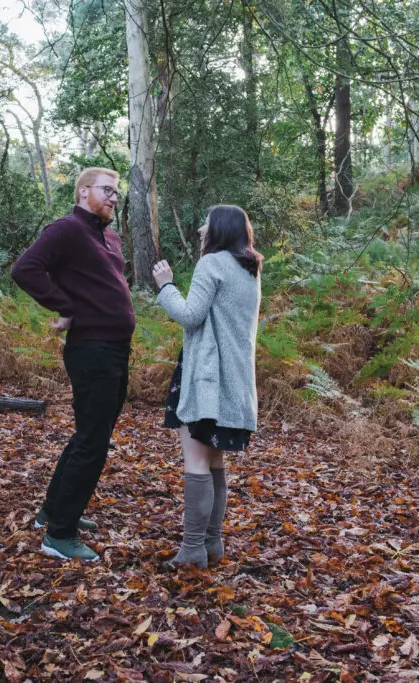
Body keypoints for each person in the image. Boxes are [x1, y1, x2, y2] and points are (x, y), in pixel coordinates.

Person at [11, 167, 134, 562]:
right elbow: (25, 269)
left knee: (89, 435)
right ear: (83, 192)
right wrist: (64, 305)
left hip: (115, 348)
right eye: (107, 190)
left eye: (117, 193)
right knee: (93, 443)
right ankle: (59, 535)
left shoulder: (108, 236)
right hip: (92, 349)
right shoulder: (66, 229)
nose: (114, 198)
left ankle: (53, 511)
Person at [152, 204, 262, 568]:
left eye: (205, 223)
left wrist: (166, 286)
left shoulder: (212, 264)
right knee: (215, 463)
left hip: (207, 379)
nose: (200, 229)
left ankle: (193, 550)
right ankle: (212, 545)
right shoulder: (249, 270)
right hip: (235, 383)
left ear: (219, 230)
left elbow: (190, 315)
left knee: (197, 461)